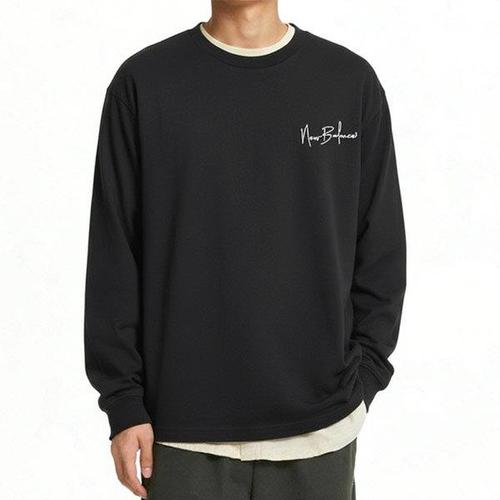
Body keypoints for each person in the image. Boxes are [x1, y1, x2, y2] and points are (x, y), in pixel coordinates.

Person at [84, 1, 406, 498]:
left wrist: (364, 379)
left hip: (320, 428)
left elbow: (381, 247)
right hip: (179, 434)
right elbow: (114, 256)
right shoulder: (144, 83)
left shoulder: (348, 82)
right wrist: (123, 403)